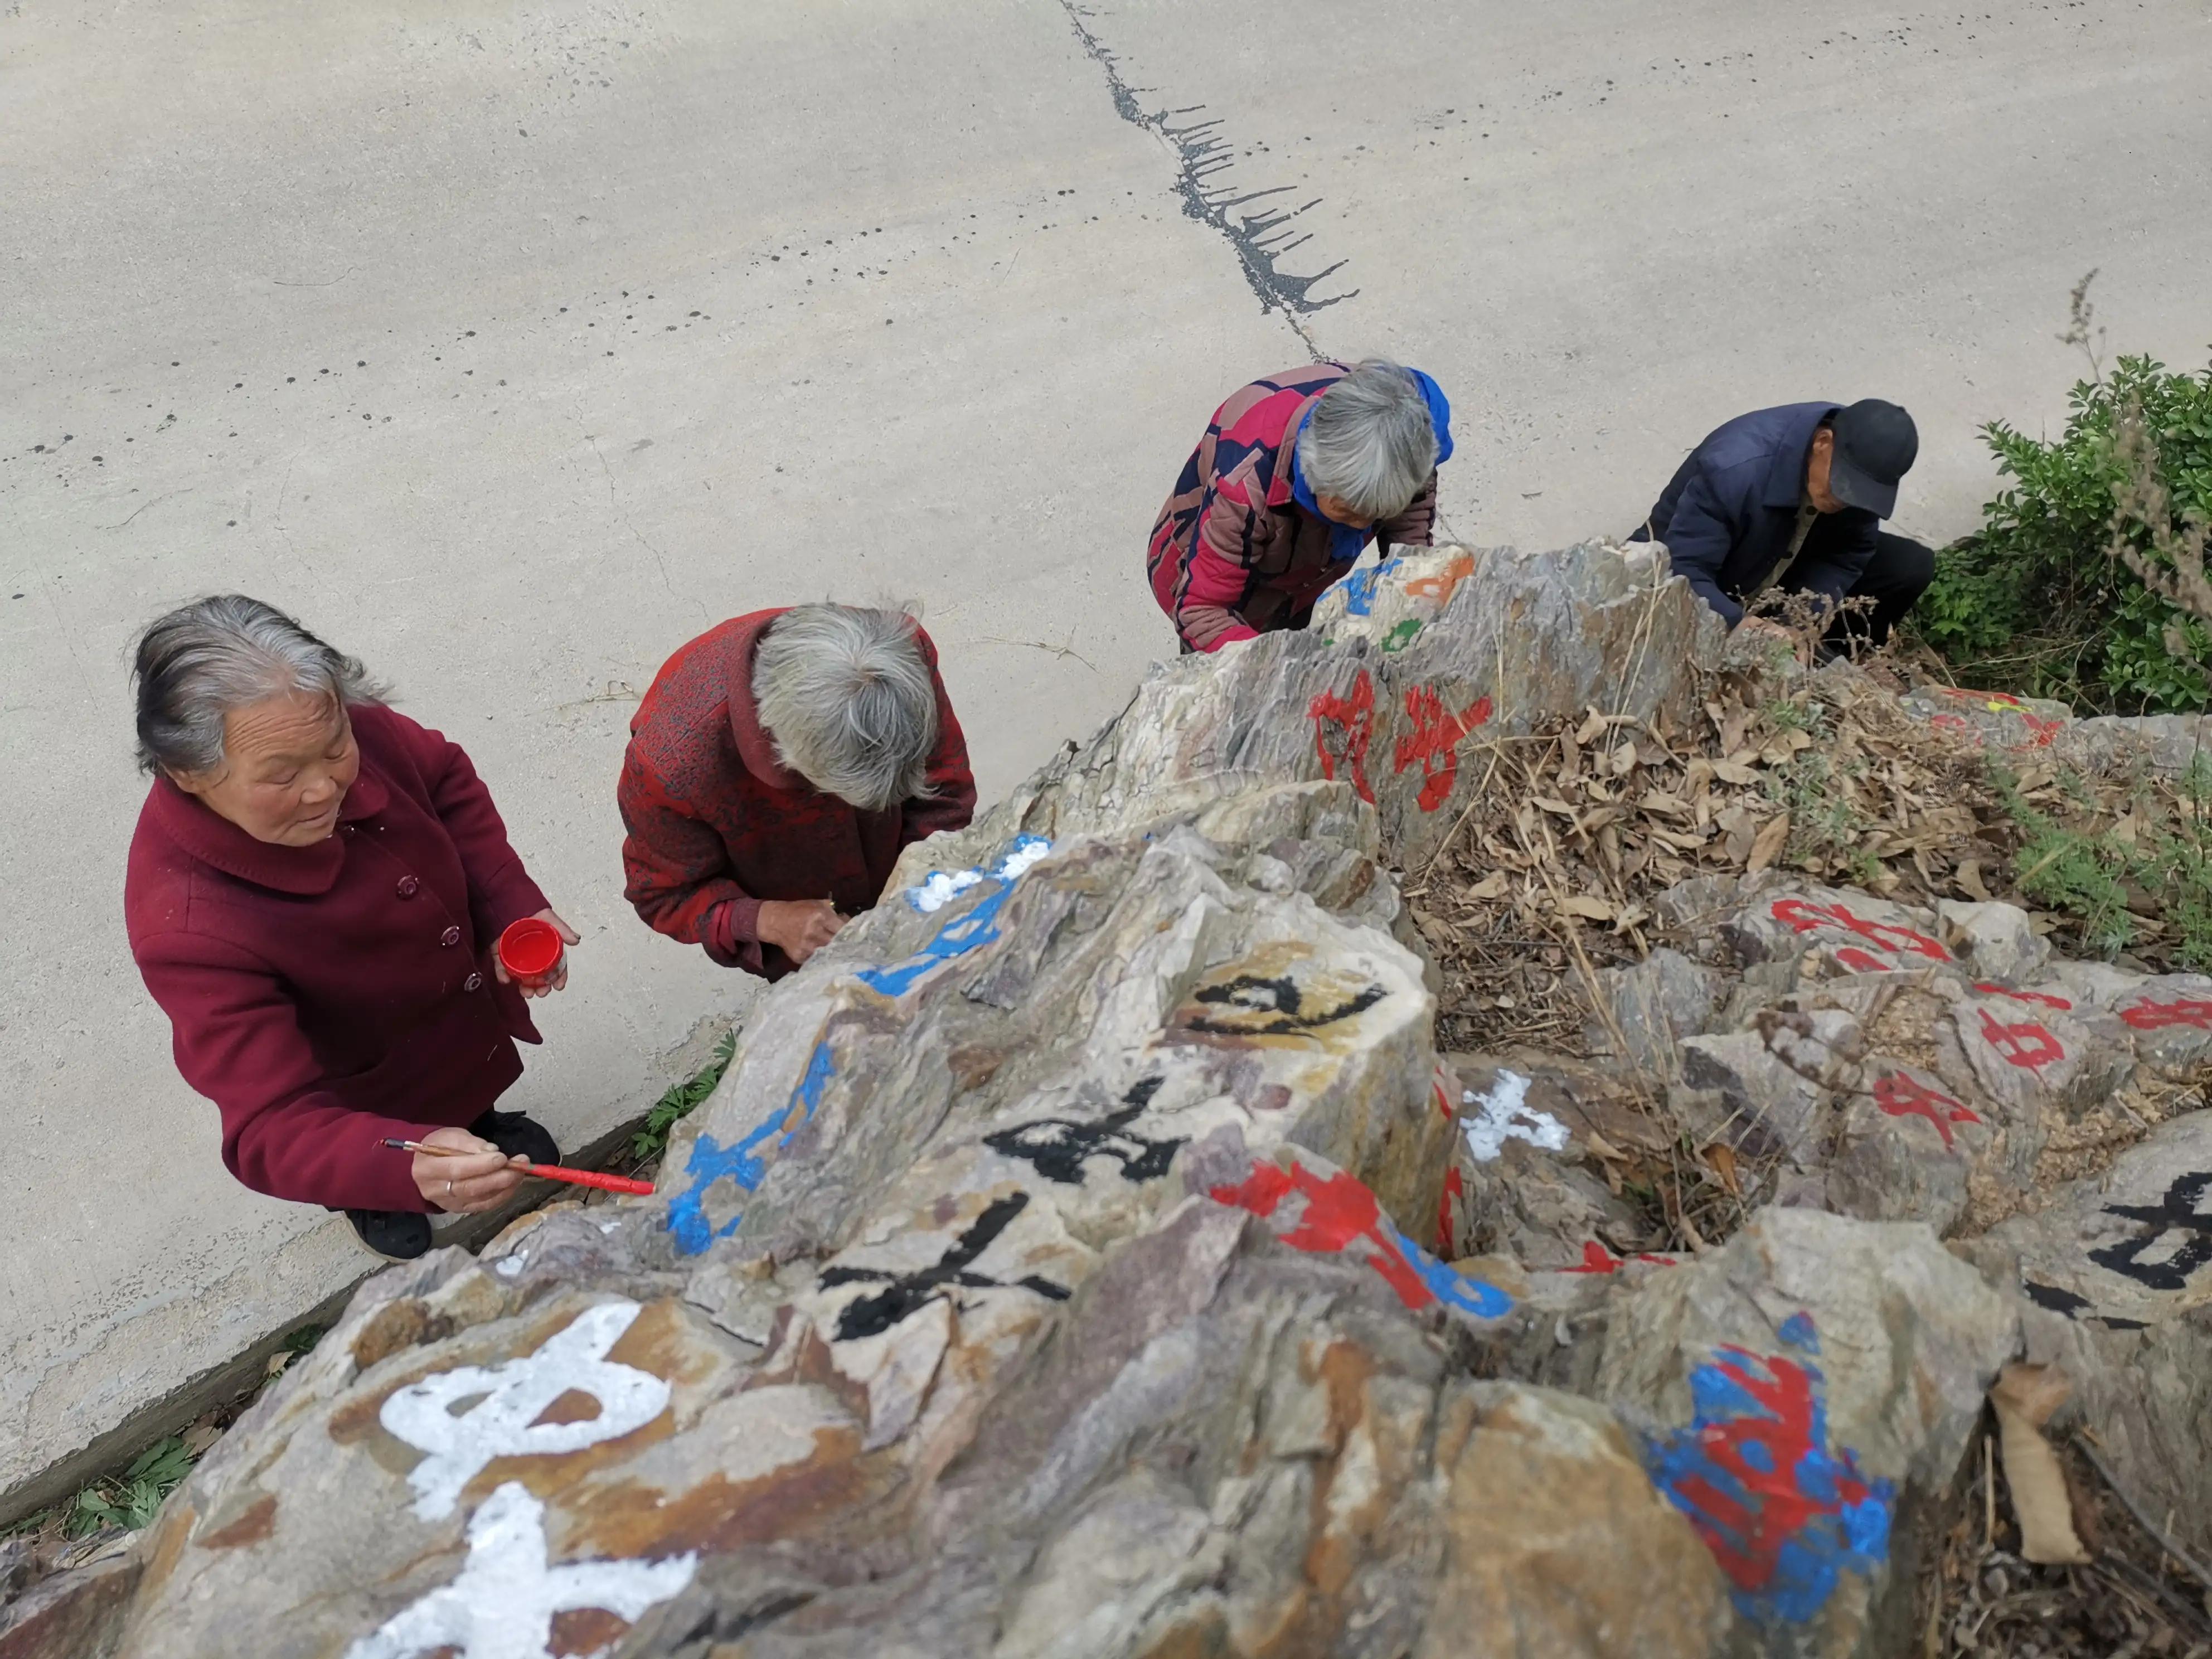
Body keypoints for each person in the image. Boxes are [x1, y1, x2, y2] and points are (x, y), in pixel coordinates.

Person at [124, 596, 576, 1261]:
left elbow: (446, 778)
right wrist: (400, 1170)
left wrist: (507, 902)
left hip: (450, 1012)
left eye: (337, 749)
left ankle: (480, 1119)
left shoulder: (340, 730)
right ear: (188, 772)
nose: (326, 789)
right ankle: (374, 1196)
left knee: (465, 1090)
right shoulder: (187, 926)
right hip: (357, 1073)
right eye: (282, 775)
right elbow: (272, 1126)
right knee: (373, 1151)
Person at [619, 603, 976, 978]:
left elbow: (944, 793)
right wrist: (768, 920)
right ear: (783, 751)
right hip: (804, 959)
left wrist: (915, 890)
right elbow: (664, 896)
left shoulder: (901, 658)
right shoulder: (670, 765)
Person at [1148, 358, 1454, 653]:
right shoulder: (1244, 487)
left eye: (1379, 512)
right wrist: (1279, 672)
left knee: (1292, 631)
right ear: (1311, 473)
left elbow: (1410, 528)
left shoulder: (1411, 432)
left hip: (1300, 579)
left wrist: (1415, 586)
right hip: (1203, 575)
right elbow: (1202, 611)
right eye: (1347, 510)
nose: (1362, 526)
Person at [1632, 399, 1932, 654]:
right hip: (1702, 567)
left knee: (1909, 566)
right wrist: (1737, 622)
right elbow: (1685, 568)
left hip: (1781, 560)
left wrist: (1799, 621)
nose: (1844, 500)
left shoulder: (1861, 460)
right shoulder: (1733, 470)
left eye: (1858, 492)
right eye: (1843, 486)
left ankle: (1824, 664)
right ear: (1823, 443)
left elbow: (1848, 553)